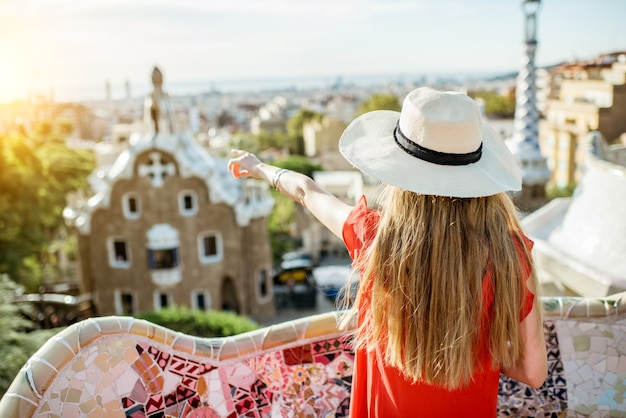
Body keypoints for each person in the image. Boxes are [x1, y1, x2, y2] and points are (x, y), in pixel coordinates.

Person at [227, 87, 548, 417]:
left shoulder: (376, 241)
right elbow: (533, 373)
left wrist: (260, 168)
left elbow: (307, 192)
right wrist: (478, 355)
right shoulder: (512, 254)